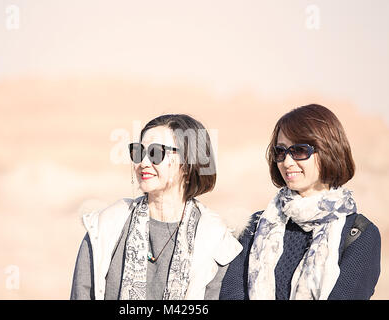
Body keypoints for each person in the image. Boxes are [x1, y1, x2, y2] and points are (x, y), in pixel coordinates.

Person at [71, 114, 242, 300]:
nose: (143, 163)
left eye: (156, 153)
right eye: (138, 152)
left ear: (187, 164)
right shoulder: (105, 227)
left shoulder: (216, 239)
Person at [220, 104, 381, 300]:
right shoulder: (253, 227)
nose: (287, 162)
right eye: (280, 151)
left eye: (299, 150)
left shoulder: (359, 235)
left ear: (328, 150)